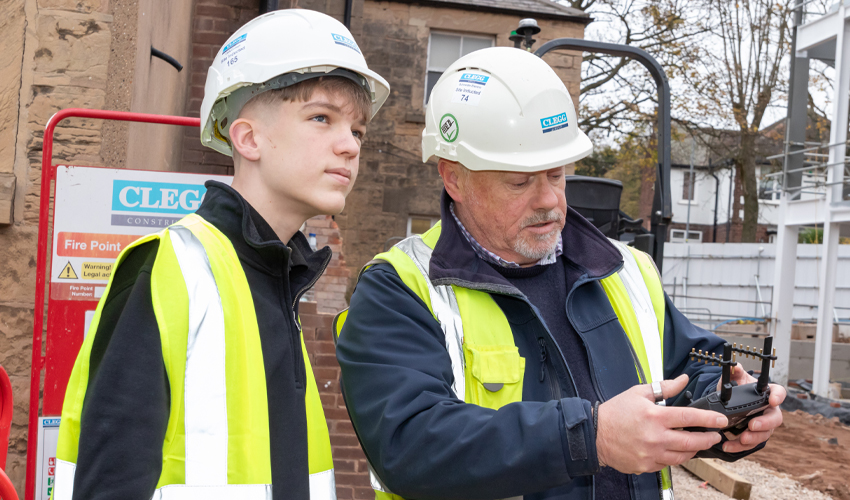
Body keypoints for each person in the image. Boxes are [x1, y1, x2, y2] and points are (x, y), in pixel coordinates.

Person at [334, 47, 785, 500]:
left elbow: (689, 368)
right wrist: (590, 438)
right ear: (454, 178)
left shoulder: (624, 270)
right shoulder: (400, 288)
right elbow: (410, 448)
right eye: (520, 181)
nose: (548, 199)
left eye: (556, 174)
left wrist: (729, 408)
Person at [53, 9, 388, 500]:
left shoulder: (280, 279)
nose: (349, 146)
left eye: (357, 131)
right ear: (248, 138)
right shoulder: (167, 268)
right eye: (322, 118)